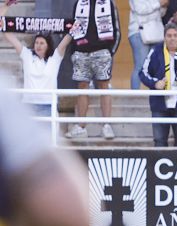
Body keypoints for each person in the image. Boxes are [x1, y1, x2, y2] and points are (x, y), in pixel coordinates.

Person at [0, 5, 73, 118]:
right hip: (28, 106)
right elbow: (7, 34)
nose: (38, 45)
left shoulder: (55, 58)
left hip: (48, 106)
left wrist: (74, 27)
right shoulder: (27, 55)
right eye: (36, 43)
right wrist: (5, 7)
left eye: (42, 43)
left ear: (48, 46)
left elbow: (68, 37)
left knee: (49, 136)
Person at [66, 0, 120, 141]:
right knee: (82, 88)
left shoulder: (109, 3)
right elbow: (73, 27)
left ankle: (106, 126)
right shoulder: (79, 3)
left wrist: (110, 52)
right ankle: (81, 126)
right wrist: (74, 51)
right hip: (81, 52)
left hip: (102, 51)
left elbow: (117, 29)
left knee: (104, 87)